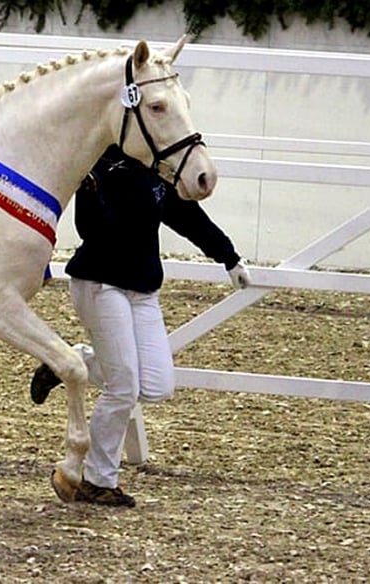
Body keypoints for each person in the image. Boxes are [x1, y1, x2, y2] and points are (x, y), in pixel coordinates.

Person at [31, 143, 251, 507]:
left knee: (156, 385)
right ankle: (96, 480)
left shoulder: (158, 172)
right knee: (123, 386)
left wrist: (228, 257)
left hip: (143, 288)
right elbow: (87, 225)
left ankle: (73, 362)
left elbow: (188, 218)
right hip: (101, 281)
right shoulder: (97, 164)